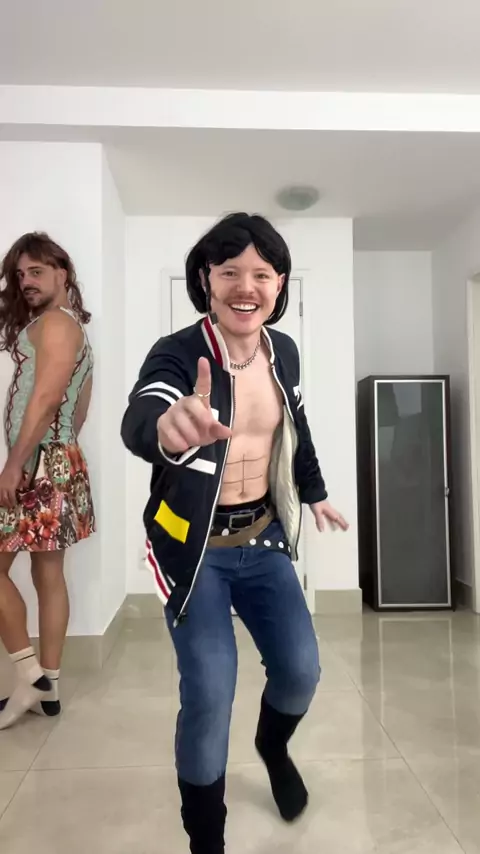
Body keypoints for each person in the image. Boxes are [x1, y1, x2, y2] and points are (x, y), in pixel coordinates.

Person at [121, 213, 348, 853]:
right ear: (206, 280)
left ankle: (272, 748)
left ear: (279, 285)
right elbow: (145, 409)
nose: (246, 287)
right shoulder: (178, 351)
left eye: (262, 274)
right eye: (229, 272)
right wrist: (165, 427)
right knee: (210, 692)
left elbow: (295, 426)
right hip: (197, 551)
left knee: (301, 671)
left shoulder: (283, 351)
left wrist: (315, 491)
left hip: (263, 536)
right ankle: (207, 841)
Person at [0, 232, 95, 730]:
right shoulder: (72, 326)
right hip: (58, 459)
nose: (26, 282)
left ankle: (29, 675)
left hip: (37, 462)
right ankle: (49, 688)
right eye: (20, 275)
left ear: (62, 272)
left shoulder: (56, 323)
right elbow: (79, 410)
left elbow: (47, 398)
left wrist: (17, 462)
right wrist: (61, 455)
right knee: (48, 573)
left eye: (36, 271)